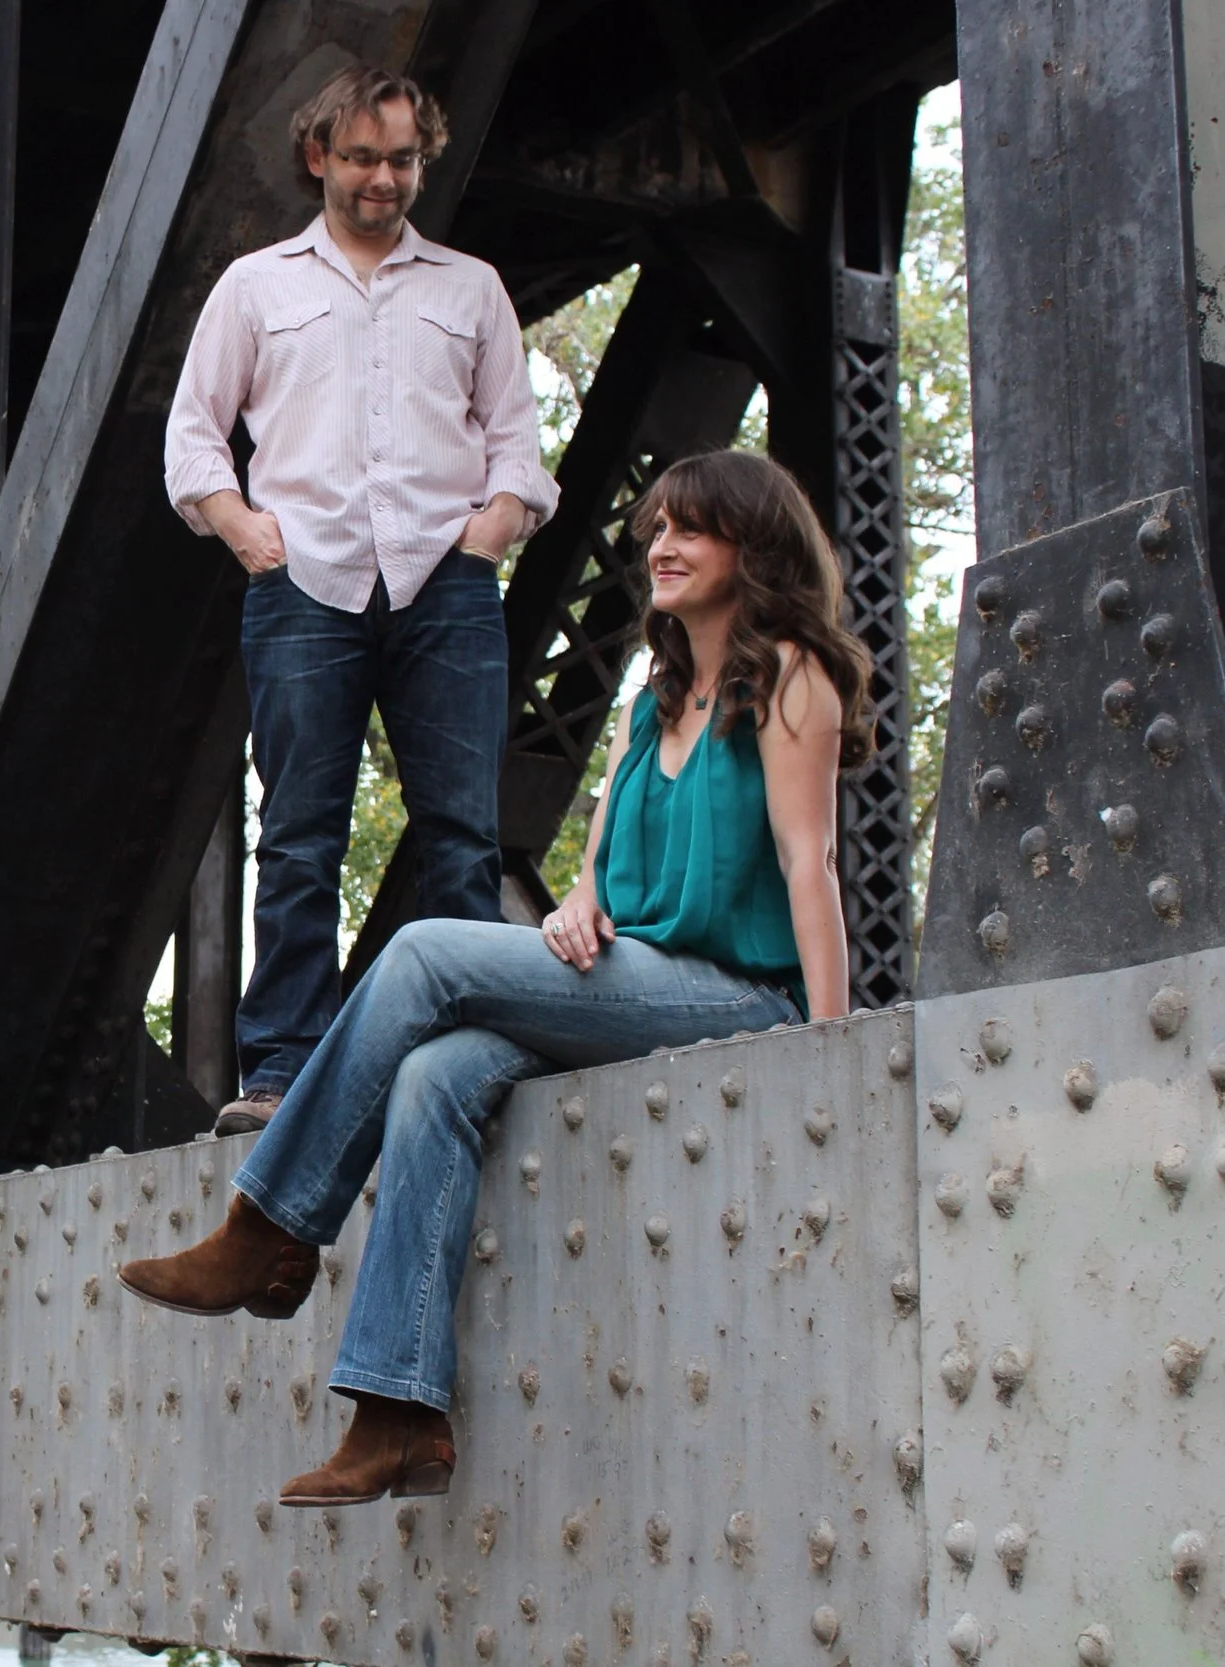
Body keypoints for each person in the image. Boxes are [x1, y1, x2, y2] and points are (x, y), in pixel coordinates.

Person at [117, 449, 869, 1504]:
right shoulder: (652, 700)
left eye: (691, 529)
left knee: (426, 951)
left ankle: (269, 1228)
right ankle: (398, 1411)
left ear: (756, 549)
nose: (661, 546)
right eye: (656, 528)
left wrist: (829, 1050)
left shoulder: (791, 676)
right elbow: (600, 869)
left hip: (737, 996)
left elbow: (809, 864)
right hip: (636, 978)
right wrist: (573, 908)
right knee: (436, 1072)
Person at [165, 64, 559, 1137]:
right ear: (318, 157)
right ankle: (282, 1070)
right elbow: (192, 438)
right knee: (299, 837)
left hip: (446, 587)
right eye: (362, 158)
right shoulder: (256, 287)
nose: (383, 179)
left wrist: (488, 534)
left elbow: (517, 445)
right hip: (305, 586)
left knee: (462, 834)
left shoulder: (470, 289)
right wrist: (247, 531)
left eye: (402, 161)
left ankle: (469, 1055)